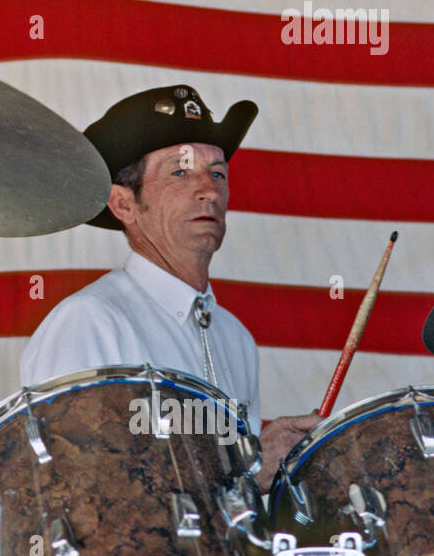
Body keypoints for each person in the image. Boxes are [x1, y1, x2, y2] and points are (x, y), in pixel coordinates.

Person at [19, 84, 320, 489]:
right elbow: (73, 492)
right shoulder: (90, 322)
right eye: (180, 171)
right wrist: (245, 467)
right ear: (124, 204)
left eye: (217, 172)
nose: (208, 189)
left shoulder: (235, 338)